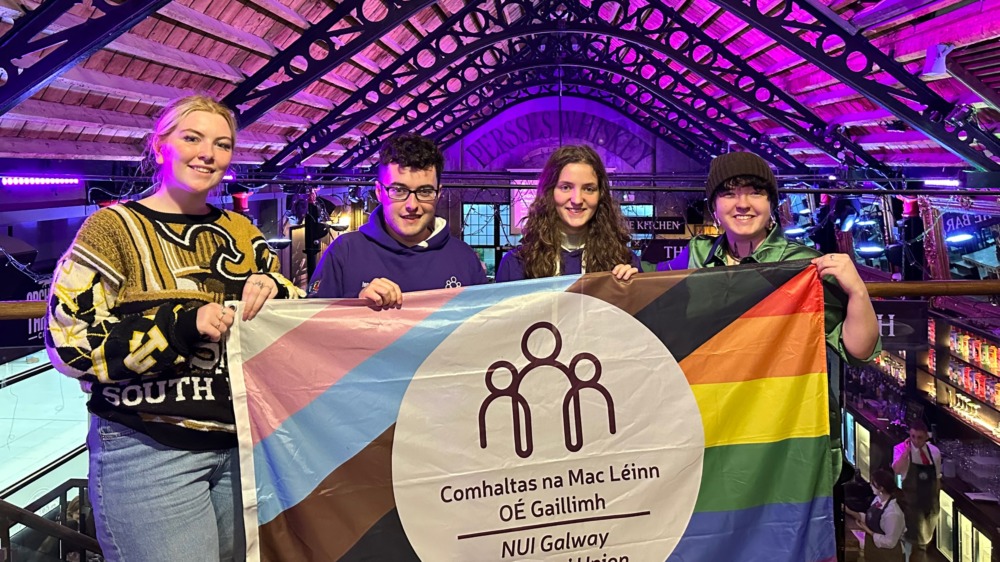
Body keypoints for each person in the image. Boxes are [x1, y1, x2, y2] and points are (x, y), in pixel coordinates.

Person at [45, 95, 301, 562]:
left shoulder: (243, 231)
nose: (208, 153)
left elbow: (290, 306)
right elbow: (69, 341)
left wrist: (275, 286)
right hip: (149, 448)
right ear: (159, 145)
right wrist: (181, 325)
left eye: (222, 144)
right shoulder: (111, 229)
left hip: (240, 444)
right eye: (192, 137)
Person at [308, 133, 487, 306]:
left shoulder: (464, 258)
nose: (412, 205)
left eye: (425, 191)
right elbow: (309, 328)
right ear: (379, 192)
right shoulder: (344, 253)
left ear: (438, 193)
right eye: (399, 190)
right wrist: (357, 305)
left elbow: (483, 329)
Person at [495, 145, 639, 282]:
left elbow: (643, 307)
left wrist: (631, 292)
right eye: (566, 187)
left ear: (601, 195)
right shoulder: (516, 264)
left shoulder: (624, 262)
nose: (577, 199)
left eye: (588, 189)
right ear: (549, 192)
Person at [892, 420, 942, 552]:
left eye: (919, 437)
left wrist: (936, 501)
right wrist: (906, 452)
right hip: (910, 505)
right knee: (910, 543)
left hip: (929, 504)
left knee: (925, 543)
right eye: (912, 436)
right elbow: (896, 469)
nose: (915, 440)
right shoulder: (900, 449)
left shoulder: (935, 452)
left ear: (926, 436)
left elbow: (937, 478)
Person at [846, 469, 906, 562]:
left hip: (887, 556)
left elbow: (890, 542)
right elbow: (870, 518)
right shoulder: (878, 499)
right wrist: (849, 511)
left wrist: (868, 531)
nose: (870, 485)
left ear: (881, 488)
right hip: (872, 550)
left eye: (872, 483)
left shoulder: (893, 513)